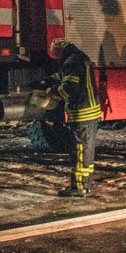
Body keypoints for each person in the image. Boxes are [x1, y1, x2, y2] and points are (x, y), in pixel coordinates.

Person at [48, 38, 103, 197]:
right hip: (91, 111)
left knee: (79, 152)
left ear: (59, 52)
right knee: (87, 151)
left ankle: (78, 187)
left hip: (81, 113)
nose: (56, 58)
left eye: (56, 55)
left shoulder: (70, 63)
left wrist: (54, 91)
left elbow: (70, 88)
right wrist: (51, 79)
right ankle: (86, 184)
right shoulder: (79, 57)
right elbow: (66, 77)